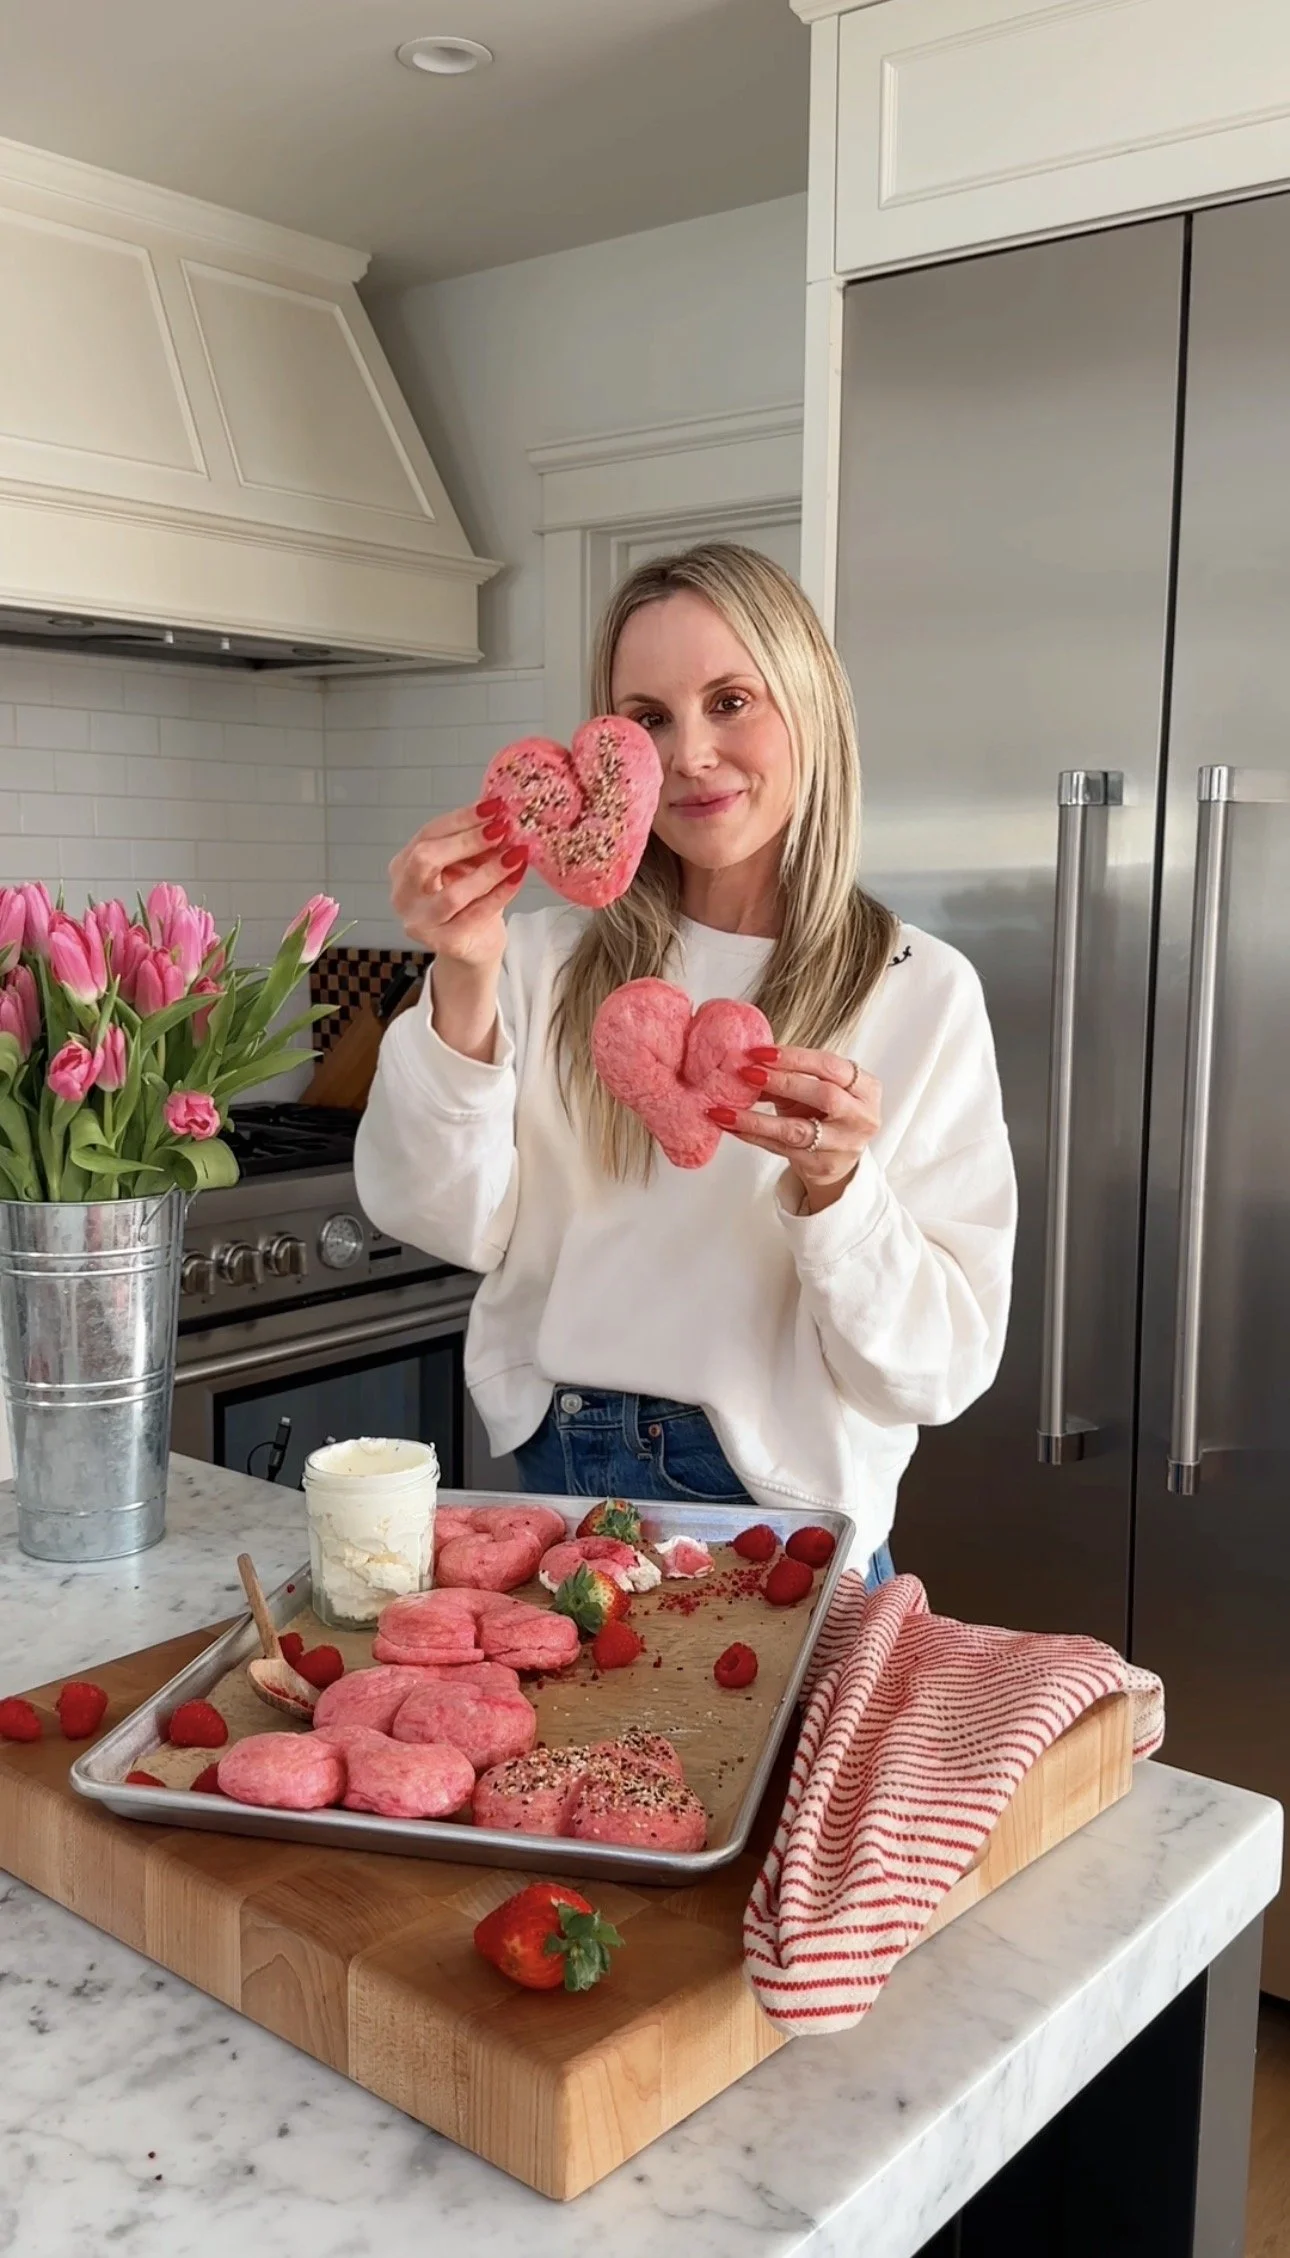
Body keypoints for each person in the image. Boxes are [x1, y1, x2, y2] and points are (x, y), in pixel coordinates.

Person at [356, 543, 1016, 1591]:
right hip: (555, 1487)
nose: (694, 752)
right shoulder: (534, 954)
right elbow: (445, 1218)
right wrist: (465, 973)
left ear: (808, 705)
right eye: (651, 717)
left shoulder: (918, 990)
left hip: (785, 1525)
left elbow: (937, 1365)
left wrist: (839, 1189)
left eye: (731, 699)